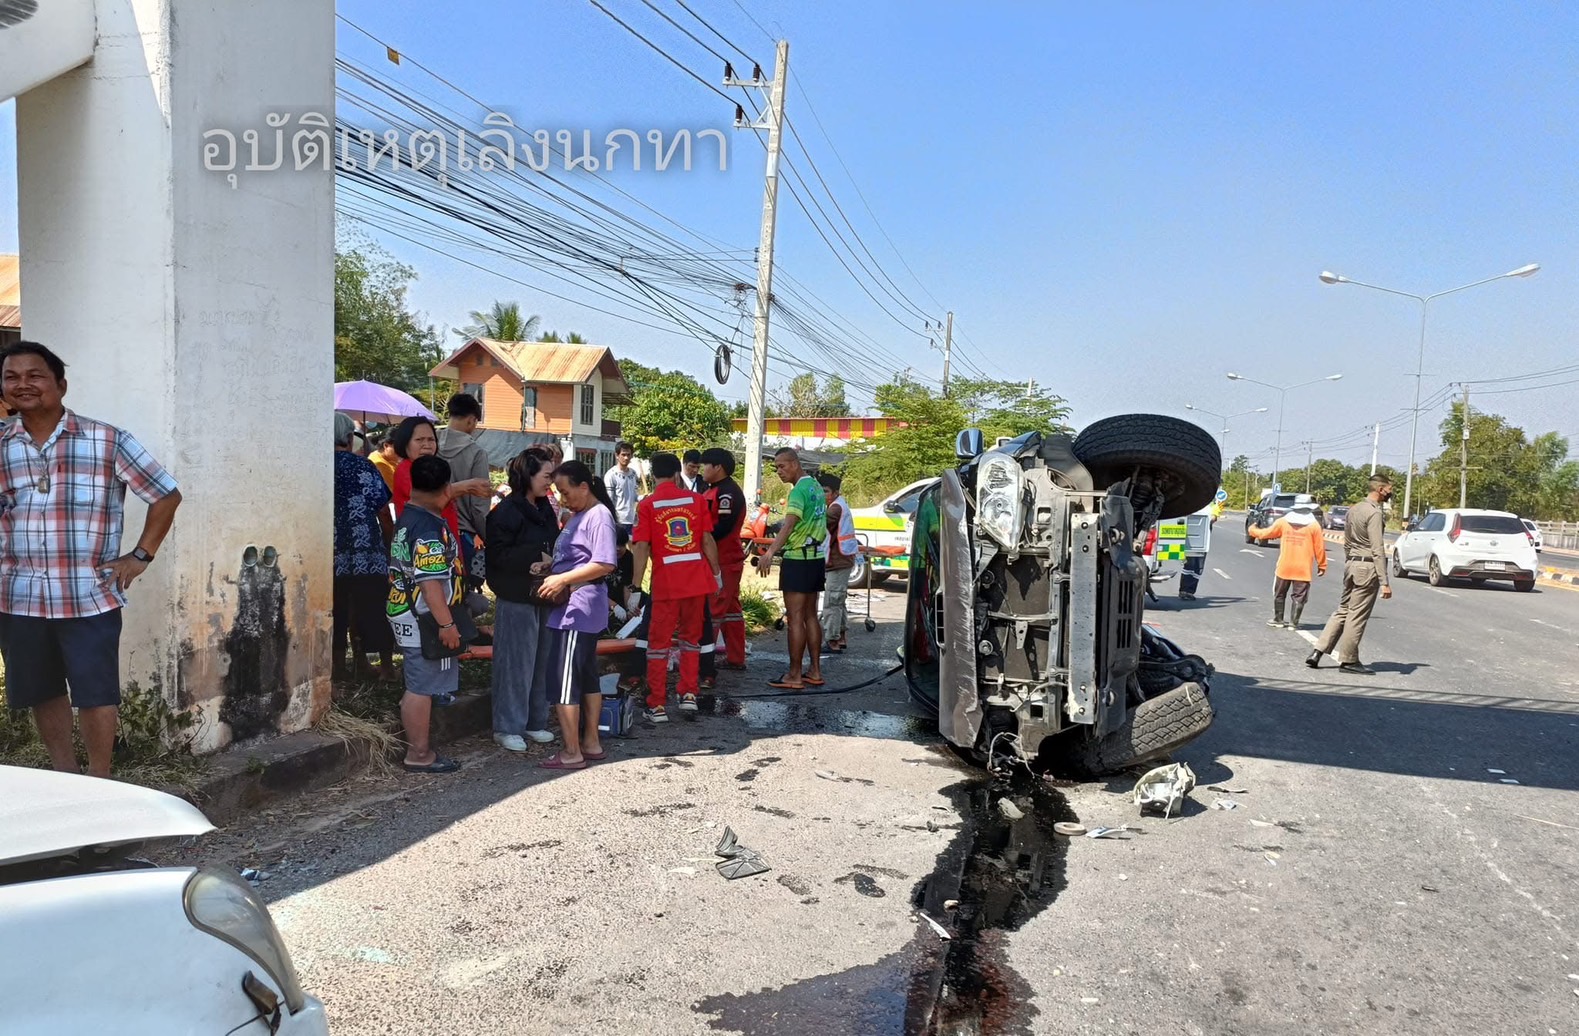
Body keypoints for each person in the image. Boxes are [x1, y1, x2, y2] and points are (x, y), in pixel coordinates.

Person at [0, 342, 182, 778]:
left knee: (96, 692)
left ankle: (101, 781)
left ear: (60, 385)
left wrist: (140, 556)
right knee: (43, 689)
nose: (23, 384)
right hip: (19, 594)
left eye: (35, 375)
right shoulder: (2, 445)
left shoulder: (106, 439)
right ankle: (66, 776)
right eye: (11, 377)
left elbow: (165, 494)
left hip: (88, 593)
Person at [535, 460, 618, 769]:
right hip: (575, 605)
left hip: (577, 608)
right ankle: (590, 743)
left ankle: (572, 751)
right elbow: (579, 557)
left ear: (584, 487)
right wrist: (551, 566)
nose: (563, 498)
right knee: (586, 675)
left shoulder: (598, 516)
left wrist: (562, 579)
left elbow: (605, 563)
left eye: (566, 491)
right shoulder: (581, 515)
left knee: (565, 680)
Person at [387, 456, 467, 773]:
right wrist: (446, 624)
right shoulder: (429, 529)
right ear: (446, 488)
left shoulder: (409, 516)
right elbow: (430, 583)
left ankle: (420, 749)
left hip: (406, 610)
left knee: (419, 681)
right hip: (423, 617)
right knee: (420, 686)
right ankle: (418, 754)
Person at [631, 452, 720, 722]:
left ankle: (657, 704)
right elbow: (707, 540)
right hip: (696, 582)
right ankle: (689, 693)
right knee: (691, 640)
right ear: (676, 473)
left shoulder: (647, 505)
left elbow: (641, 547)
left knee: (658, 645)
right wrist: (716, 574)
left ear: (653, 475)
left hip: (666, 584)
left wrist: (635, 586)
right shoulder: (696, 501)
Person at [484, 448, 561, 751]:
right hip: (516, 595)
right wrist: (534, 557)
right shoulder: (505, 511)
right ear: (528, 475)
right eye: (546, 476)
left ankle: (534, 721)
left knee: (542, 661)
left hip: (544, 594)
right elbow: (497, 555)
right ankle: (507, 726)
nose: (550, 482)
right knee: (515, 664)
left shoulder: (544, 507)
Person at [752, 447, 828, 690]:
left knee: (795, 618)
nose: (779, 472)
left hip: (797, 558)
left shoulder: (797, 492)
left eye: (782, 466)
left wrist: (770, 552)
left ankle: (794, 674)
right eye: (776, 467)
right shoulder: (816, 486)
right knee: (810, 615)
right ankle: (814, 670)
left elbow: (788, 525)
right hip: (816, 557)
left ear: (795, 464)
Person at [1308, 475, 1394, 674]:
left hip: (1352, 565)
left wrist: (1350, 562)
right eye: (1389, 489)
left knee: (1343, 610)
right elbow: (1377, 548)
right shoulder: (1374, 513)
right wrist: (1384, 581)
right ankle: (1348, 661)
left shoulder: (1354, 509)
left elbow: (1347, 542)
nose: (1390, 493)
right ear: (1380, 489)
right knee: (1357, 615)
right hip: (1367, 567)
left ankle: (1317, 651)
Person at [333, 412, 395, 682]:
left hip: (330, 552)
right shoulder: (363, 466)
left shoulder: (317, 466)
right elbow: (383, 511)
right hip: (366, 551)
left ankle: (338, 668)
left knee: (337, 609)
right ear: (349, 438)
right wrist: (388, 543)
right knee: (373, 608)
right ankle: (385, 667)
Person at [437, 393, 491, 592]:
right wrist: (488, 536)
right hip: (462, 535)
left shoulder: (428, 444)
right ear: (471, 420)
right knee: (460, 594)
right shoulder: (476, 453)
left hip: (429, 529)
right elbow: (479, 506)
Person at [701, 447, 748, 670]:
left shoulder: (727, 493)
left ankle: (704, 663)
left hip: (724, 560)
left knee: (714, 610)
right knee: (731, 611)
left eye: (705, 465)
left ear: (717, 467)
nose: (702, 470)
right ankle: (736, 658)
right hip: (724, 558)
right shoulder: (715, 489)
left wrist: (700, 537)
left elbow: (722, 528)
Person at [1249, 502, 1327, 629]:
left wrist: (1252, 530)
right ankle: (1293, 623)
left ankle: (1278, 619)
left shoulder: (1283, 522)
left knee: (1279, 593)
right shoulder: (1314, 526)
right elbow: (1320, 548)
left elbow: (1265, 534)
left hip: (1284, 566)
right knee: (1299, 596)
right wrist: (1322, 565)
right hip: (1303, 568)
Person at [819, 472, 860, 653]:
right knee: (839, 600)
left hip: (839, 560)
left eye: (825, 491)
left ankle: (832, 640)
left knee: (832, 601)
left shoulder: (834, 509)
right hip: (843, 559)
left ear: (835, 492)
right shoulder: (839, 504)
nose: (823, 495)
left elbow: (819, 524)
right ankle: (840, 637)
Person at [605, 440, 640, 536]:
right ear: (617, 455)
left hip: (632, 519)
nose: (626, 458)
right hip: (619, 520)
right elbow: (609, 499)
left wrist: (643, 497)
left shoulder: (633, 473)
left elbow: (634, 495)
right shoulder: (611, 475)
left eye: (628, 455)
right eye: (623, 455)